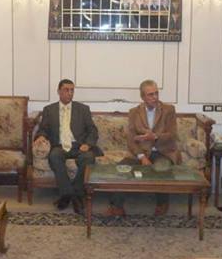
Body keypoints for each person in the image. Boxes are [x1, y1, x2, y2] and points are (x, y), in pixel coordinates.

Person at [107, 79, 179, 217]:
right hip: (141, 152)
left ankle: (162, 203)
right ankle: (117, 206)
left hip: (162, 151)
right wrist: (141, 157)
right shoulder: (134, 112)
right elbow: (131, 138)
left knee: (161, 168)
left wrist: (155, 137)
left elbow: (172, 134)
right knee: (120, 169)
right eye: (151, 94)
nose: (155, 97)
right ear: (142, 97)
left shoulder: (168, 110)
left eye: (156, 93)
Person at [34, 79, 101, 213]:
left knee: (88, 157)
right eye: (66, 90)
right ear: (59, 91)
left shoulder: (83, 109)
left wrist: (88, 144)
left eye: (72, 90)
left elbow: (92, 130)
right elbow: (43, 129)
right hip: (59, 146)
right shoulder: (49, 110)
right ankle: (71, 194)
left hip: (79, 146)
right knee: (54, 156)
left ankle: (71, 194)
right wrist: (41, 136)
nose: (70, 93)